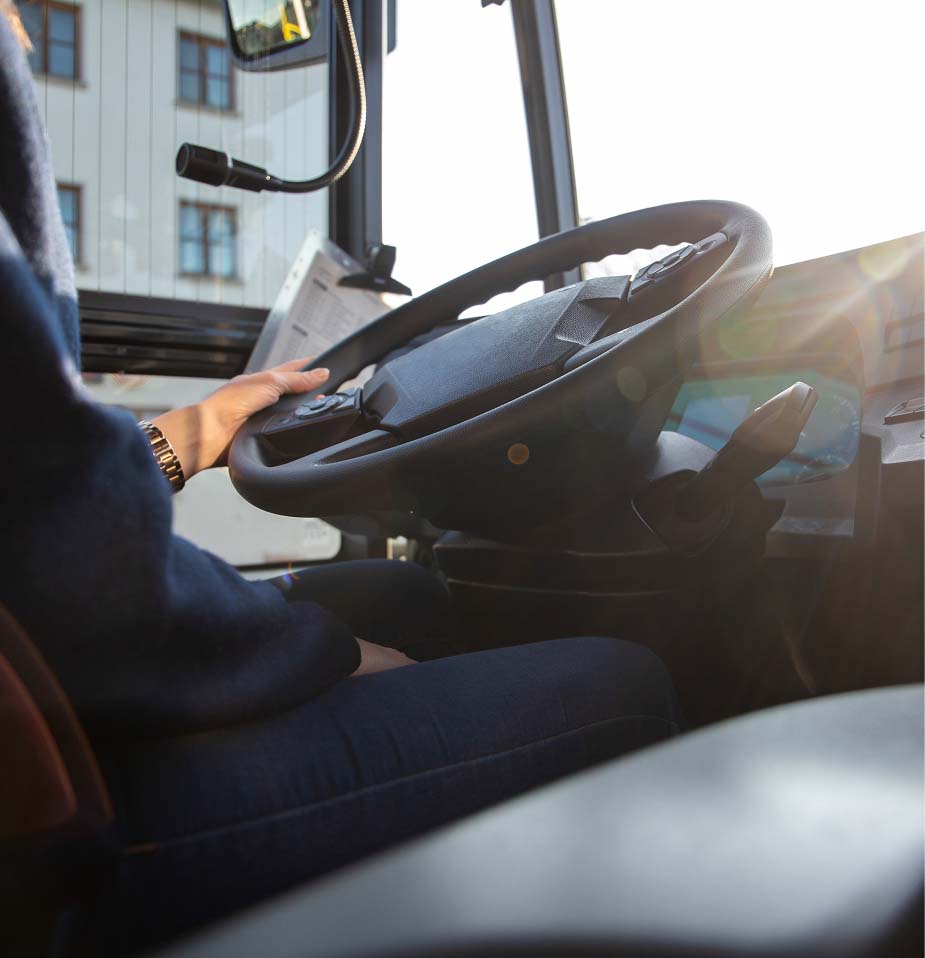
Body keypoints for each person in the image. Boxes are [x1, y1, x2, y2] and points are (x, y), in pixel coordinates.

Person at [0, 6, 682, 951]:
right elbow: (67, 573)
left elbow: (26, 491)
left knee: (398, 593)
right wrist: (321, 653)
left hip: (42, 711)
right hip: (58, 821)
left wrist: (181, 440)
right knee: (626, 681)